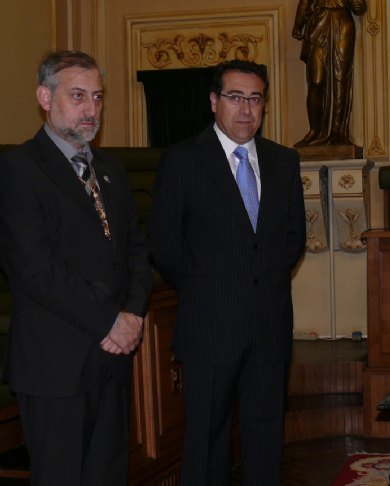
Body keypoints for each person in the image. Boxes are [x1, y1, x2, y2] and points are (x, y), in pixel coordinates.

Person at [148, 60, 306, 485]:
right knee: (206, 440)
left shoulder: (283, 161)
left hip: (269, 325)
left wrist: (259, 286)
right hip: (209, 325)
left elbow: (292, 239)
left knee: (265, 433)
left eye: (255, 99)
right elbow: (164, 246)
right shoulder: (182, 160)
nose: (246, 109)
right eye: (236, 97)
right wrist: (210, 290)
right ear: (214, 101)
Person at [0, 50, 153, 485]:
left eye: (98, 97)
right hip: (56, 364)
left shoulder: (111, 171)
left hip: (112, 358)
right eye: (79, 96)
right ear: (45, 98)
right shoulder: (18, 169)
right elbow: (34, 269)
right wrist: (111, 321)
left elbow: (137, 251)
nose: (91, 110)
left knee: (108, 475)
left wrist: (134, 314)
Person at [292, 0, 368, 147]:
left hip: (343, 23)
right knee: (316, 81)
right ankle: (315, 131)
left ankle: (337, 132)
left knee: (340, 78)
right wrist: (299, 24)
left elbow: (360, 8)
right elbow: (305, 2)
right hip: (319, 22)